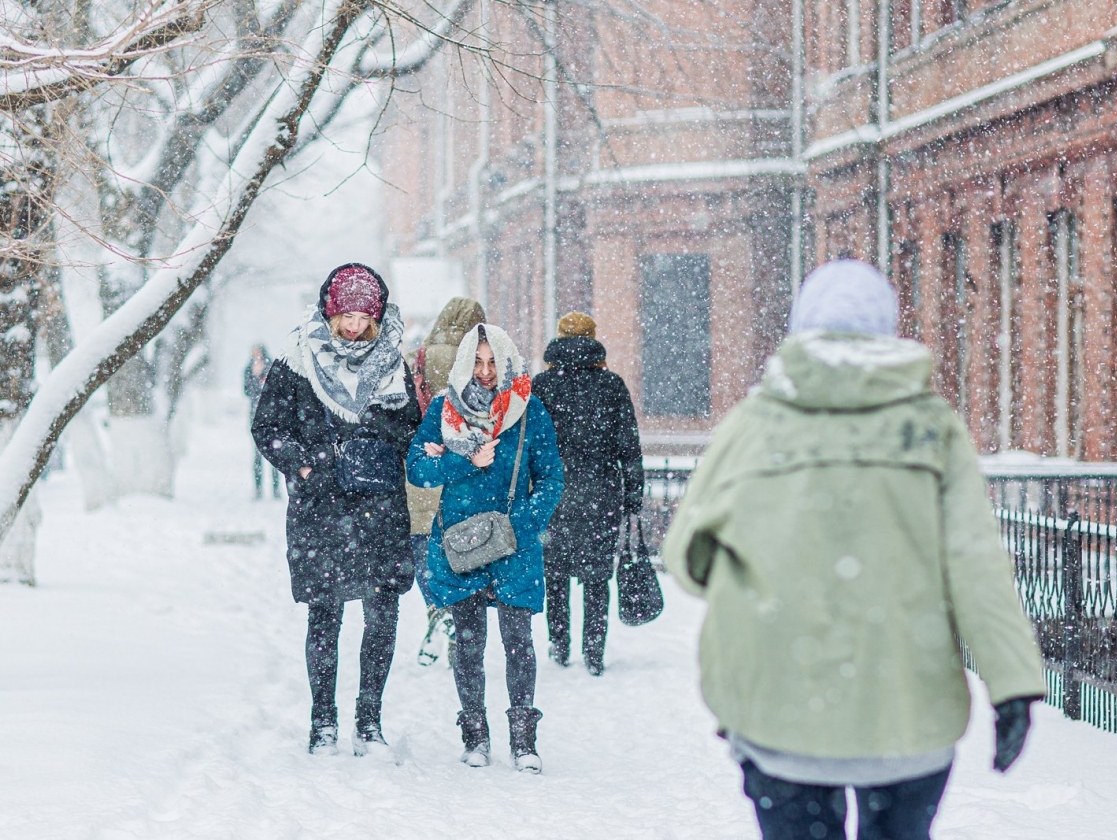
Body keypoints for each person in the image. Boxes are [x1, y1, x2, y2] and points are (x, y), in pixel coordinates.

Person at [661, 260, 1046, 840]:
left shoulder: (754, 425)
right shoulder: (931, 428)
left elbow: (687, 556)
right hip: (905, 711)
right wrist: (1012, 683)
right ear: (887, 329)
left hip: (780, 707)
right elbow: (976, 564)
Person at [252, 263, 420, 757]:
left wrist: (381, 437)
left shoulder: (391, 362)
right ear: (330, 312)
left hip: (379, 504)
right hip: (321, 506)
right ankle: (322, 722)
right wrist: (305, 465)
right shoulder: (296, 360)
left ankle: (369, 722)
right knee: (325, 615)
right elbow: (268, 427)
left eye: (364, 318)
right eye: (346, 316)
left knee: (382, 613)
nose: (354, 327)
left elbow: (410, 428)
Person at [406, 323, 563, 773]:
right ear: (463, 363)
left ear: (509, 361)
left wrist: (522, 525)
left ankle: (524, 741)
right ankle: (475, 736)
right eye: (476, 361)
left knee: (518, 641)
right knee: (468, 642)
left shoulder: (529, 411)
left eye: (494, 361)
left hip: (515, 544)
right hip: (461, 541)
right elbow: (418, 469)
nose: (486, 371)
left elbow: (552, 478)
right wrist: (462, 460)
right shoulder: (445, 409)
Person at [532, 312, 643, 676]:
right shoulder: (611, 385)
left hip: (555, 494)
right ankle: (594, 652)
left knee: (555, 575)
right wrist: (633, 495)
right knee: (596, 577)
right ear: (593, 338)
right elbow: (629, 446)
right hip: (601, 493)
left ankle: (559, 645)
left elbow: (529, 444)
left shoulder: (542, 385)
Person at [407, 297, 486, 666]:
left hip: (423, 465)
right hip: (464, 467)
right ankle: (459, 615)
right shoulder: (479, 363)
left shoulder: (417, 359)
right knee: (462, 549)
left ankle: (437, 607)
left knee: (422, 544)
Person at [243, 344, 281, 499]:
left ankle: (275, 489)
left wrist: (264, 381)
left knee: (275, 454)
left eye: (259, 353)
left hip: (273, 417)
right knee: (257, 454)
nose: (257, 356)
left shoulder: (273, 368)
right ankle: (258, 488)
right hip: (256, 416)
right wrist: (254, 377)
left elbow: (277, 391)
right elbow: (247, 391)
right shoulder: (248, 369)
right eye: (255, 353)